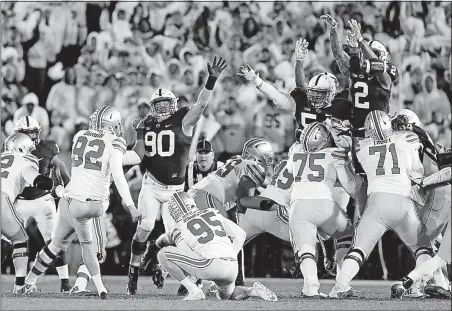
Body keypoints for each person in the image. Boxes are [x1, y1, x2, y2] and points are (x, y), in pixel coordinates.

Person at [127, 56, 227, 295]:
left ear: (173, 104)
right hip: (151, 185)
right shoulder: (145, 125)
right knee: (146, 225)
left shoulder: (183, 119)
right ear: (152, 107)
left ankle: (185, 279)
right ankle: (132, 271)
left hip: (175, 191)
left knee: (179, 238)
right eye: (158, 104)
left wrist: (211, 79)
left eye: (166, 103)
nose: (162, 108)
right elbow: (137, 154)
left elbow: (201, 105)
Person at [18, 105, 141, 299]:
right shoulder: (114, 142)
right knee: (96, 249)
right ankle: (82, 285)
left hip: (68, 199)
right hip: (92, 203)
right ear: (114, 124)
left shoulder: (80, 136)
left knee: (55, 245)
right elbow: (120, 171)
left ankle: (29, 281)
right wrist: (131, 205)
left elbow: (115, 159)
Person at [329, 110, 433, 299]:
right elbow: (417, 170)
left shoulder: (362, 148)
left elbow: (363, 150)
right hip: (403, 202)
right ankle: (417, 285)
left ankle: (341, 285)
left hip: (376, 204)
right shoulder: (406, 140)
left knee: (359, 248)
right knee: (423, 247)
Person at [155, 191, 278, 301]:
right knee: (226, 295)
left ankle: (194, 291)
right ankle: (252, 291)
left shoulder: (180, 226)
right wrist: (229, 255)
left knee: (163, 254)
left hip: (210, 264)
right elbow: (241, 234)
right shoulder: (212, 212)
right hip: (232, 265)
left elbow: (185, 253)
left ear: (174, 212)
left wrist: (167, 269)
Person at [286, 122, 356, 297]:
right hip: (325, 204)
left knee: (306, 249)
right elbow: (348, 183)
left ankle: (310, 286)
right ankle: (342, 284)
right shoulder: (335, 153)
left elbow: (289, 171)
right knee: (346, 235)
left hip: (298, 206)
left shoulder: (295, 150)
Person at [13, 116, 72, 293]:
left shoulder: (47, 147)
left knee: (55, 242)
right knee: (9, 241)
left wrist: (69, 186)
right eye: (26, 133)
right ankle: (20, 283)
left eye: (32, 132)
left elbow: (60, 165)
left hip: (42, 200)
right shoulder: (11, 148)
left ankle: (65, 282)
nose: (30, 136)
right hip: (20, 201)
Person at [1, 133, 53, 294]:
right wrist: (47, 182)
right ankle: (19, 286)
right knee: (20, 238)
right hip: (2, 197)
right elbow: (38, 180)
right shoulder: (24, 160)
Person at [391, 167, 451, 300]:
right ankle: (433, 284)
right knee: (435, 253)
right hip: (434, 195)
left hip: (433, 195)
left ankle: (413, 284)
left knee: (433, 252)